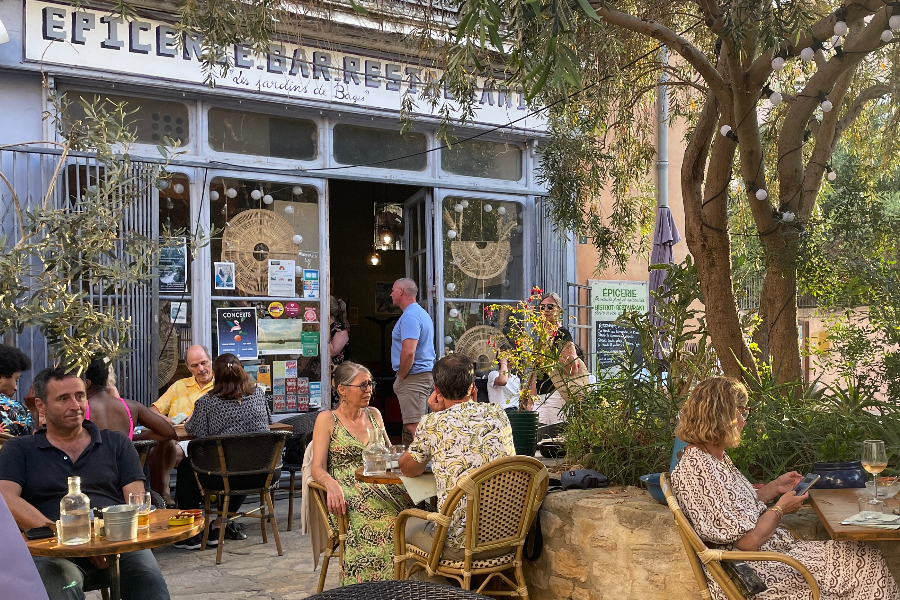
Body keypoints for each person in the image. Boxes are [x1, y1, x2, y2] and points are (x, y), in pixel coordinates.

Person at [670, 377, 899, 600]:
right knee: (865, 565)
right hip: (757, 573)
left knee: (866, 555)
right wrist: (781, 509)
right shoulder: (699, 470)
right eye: (741, 411)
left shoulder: (712, 458)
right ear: (720, 416)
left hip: (774, 556)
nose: (744, 421)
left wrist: (774, 487)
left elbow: (737, 508)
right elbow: (747, 543)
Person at [0, 367, 171, 600]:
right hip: (51, 549)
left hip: (116, 545)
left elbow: (135, 498)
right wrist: (65, 533)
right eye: (63, 399)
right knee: (59, 582)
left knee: (148, 579)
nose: (75, 405)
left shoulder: (116, 443)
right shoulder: (20, 449)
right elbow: (7, 498)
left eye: (80, 396)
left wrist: (98, 541)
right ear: (41, 406)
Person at [399, 354, 515, 557]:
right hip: (506, 538)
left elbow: (409, 468)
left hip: (459, 545)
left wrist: (434, 416)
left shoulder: (433, 423)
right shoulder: (498, 414)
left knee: (403, 526)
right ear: (472, 387)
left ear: (436, 390)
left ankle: (438, 589)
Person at [310, 361, 412, 585]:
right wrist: (330, 484)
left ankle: (411, 584)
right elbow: (316, 467)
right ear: (342, 390)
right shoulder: (327, 419)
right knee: (388, 523)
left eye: (370, 384)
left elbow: (390, 456)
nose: (369, 390)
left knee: (420, 511)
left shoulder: (374, 414)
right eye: (363, 385)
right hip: (347, 490)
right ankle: (373, 589)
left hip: (381, 482)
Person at [173, 353, 271, 550]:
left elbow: (193, 430)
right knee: (242, 462)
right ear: (243, 372)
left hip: (220, 476)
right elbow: (268, 421)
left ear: (216, 376)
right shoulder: (259, 396)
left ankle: (190, 532)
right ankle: (219, 524)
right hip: (262, 473)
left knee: (187, 467)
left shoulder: (206, 403)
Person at [148, 345, 214, 504]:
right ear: (188, 367)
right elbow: (152, 411)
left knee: (167, 448)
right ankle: (163, 494)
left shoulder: (221, 387)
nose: (201, 368)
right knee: (159, 446)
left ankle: (163, 495)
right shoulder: (180, 386)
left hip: (205, 443)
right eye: (195, 365)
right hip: (176, 439)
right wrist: (169, 421)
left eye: (204, 363)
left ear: (211, 361)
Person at [84, 358, 176, 442]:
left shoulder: (80, 409)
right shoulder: (131, 407)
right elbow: (168, 432)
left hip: (94, 460)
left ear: (87, 383)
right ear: (107, 375)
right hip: (125, 460)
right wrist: (130, 438)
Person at [390, 278, 435, 443]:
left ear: (401, 291)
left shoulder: (410, 317)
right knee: (414, 425)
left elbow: (409, 352)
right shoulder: (421, 313)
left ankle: (432, 465)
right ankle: (410, 466)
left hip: (414, 376)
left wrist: (401, 377)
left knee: (414, 425)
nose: (391, 294)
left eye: (393, 290)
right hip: (421, 375)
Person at [531, 291, 581, 425]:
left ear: (558, 309)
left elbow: (572, 368)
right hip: (540, 397)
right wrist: (532, 398)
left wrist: (549, 356)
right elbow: (537, 371)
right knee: (538, 438)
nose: (546, 310)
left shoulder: (562, 334)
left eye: (550, 306)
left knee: (557, 438)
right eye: (542, 307)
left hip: (557, 393)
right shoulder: (543, 335)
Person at [304, 296, 350, 409]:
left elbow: (333, 351)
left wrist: (321, 331)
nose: (315, 311)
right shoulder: (315, 326)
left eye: (317, 308)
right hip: (315, 374)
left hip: (331, 376)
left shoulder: (339, 328)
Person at [0, 345, 33, 437]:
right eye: (16, 380)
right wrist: (33, 410)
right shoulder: (17, 410)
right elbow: (31, 443)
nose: (16, 388)